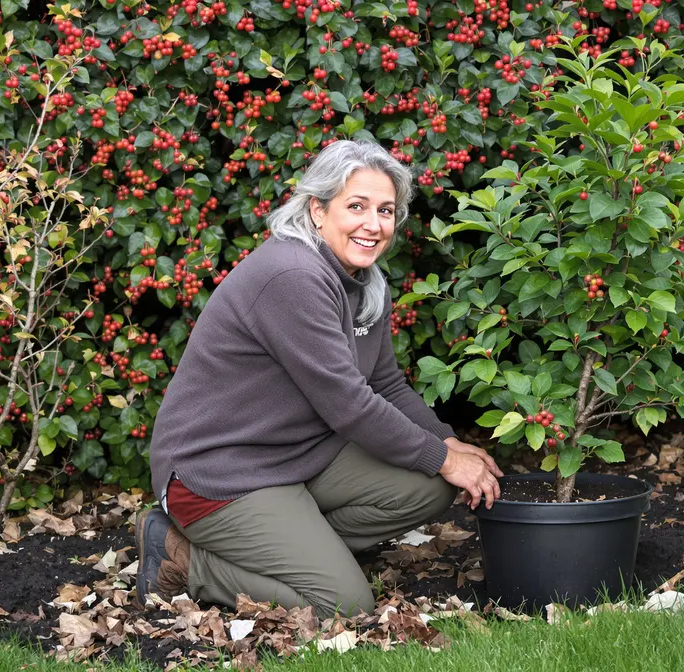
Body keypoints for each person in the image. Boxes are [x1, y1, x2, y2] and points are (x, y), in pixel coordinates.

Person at [135, 139, 503, 617]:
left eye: (386, 210)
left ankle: (300, 553)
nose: (374, 224)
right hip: (221, 474)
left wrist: (446, 444)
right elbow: (349, 404)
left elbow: (384, 384)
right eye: (357, 206)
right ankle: (182, 557)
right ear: (316, 210)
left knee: (430, 485)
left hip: (300, 456)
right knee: (344, 604)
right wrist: (444, 457)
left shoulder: (364, 281)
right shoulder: (292, 275)